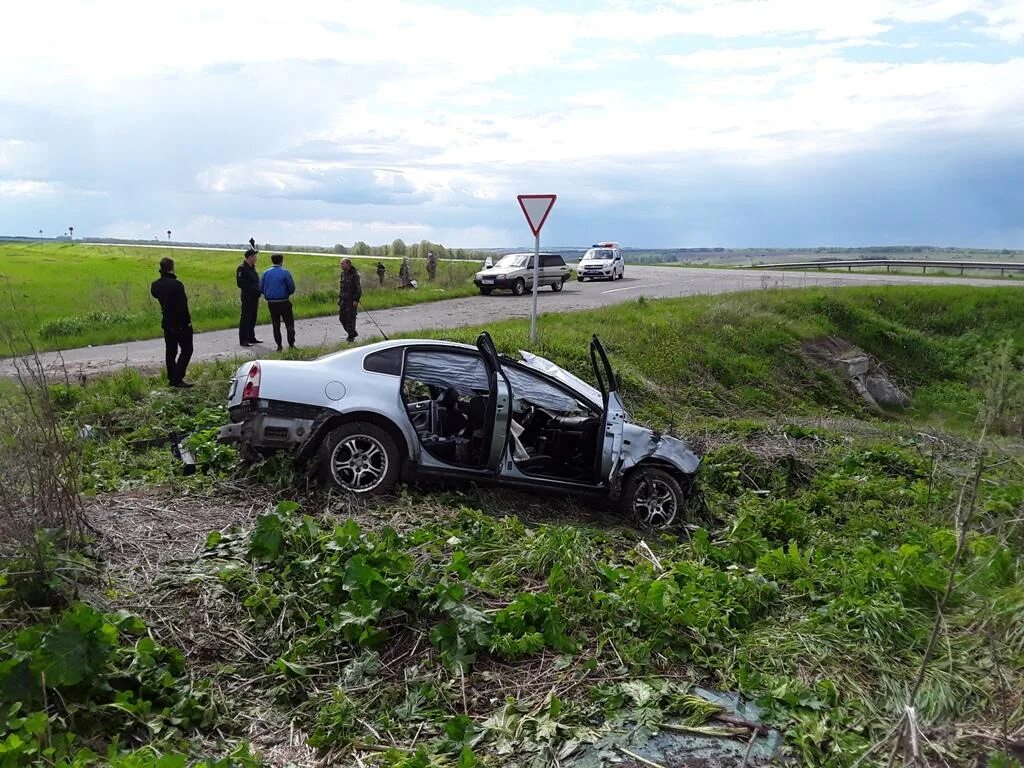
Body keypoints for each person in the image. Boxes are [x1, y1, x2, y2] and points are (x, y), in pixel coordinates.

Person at [150, 257, 194, 388]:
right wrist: (188, 322)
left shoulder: (155, 285)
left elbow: (156, 294)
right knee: (187, 350)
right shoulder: (177, 285)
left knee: (171, 351)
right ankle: (177, 378)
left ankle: (171, 375)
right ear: (172, 268)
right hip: (180, 323)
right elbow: (183, 306)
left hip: (167, 322)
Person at [260, 253, 297, 351]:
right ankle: (291, 345)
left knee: (276, 324)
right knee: (289, 324)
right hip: (284, 301)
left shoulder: (266, 273)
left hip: (271, 303)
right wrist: (287, 293)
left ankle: (279, 346)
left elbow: (261, 287)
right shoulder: (285, 272)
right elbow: (292, 287)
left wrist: (267, 294)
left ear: (272, 261)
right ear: (281, 261)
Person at [236, 247, 262, 346]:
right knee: (246, 318)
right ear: (249, 257)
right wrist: (253, 290)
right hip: (247, 297)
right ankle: (243, 339)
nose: (256, 258)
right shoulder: (242, 268)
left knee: (253, 317)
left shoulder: (252, 268)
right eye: (254, 256)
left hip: (255, 297)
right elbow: (240, 283)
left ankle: (251, 337)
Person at [338, 257, 362, 342]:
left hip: (351, 300)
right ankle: (352, 333)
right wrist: (340, 299)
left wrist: (356, 300)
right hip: (343, 299)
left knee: (350, 319)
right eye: (341, 264)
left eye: (342, 264)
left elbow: (358, 289)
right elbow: (342, 287)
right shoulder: (343, 274)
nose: (341, 265)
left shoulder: (355, 274)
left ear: (348, 264)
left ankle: (351, 337)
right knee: (342, 318)